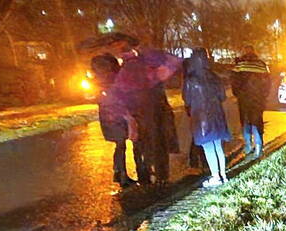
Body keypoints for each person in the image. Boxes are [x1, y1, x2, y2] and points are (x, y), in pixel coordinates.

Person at [111, 43, 181, 185]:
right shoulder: (147, 67)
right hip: (155, 112)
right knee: (159, 143)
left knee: (141, 145)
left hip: (138, 115)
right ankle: (162, 175)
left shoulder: (124, 73)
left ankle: (144, 174)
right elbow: (172, 64)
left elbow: (118, 95)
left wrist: (127, 115)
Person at [182, 48, 232, 187]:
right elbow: (222, 96)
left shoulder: (190, 80)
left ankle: (215, 176)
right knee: (218, 146)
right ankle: (223, 175)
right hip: (217, 116)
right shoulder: (215, 77)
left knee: (208, 147)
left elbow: (187, 99)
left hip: (201, 118)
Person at [90, 53, 138, 188]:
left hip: (108, 116)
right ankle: (121, 174)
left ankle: (119, 172)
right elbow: (117, 97)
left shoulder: (100, 80)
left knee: (120, 144)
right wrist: (126, 113)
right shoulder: (112, 79)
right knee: (121, 144)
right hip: (117, 116)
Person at [231, 46, 270, 158]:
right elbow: (267, 83)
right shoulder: (261, 65)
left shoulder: (240, 65)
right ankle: (258, 147)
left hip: (244, 100)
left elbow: (234, 82)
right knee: (257, 122)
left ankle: (248, 145)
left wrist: (238, 94)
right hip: (258, 100)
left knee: (245, 122)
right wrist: (263, 96)